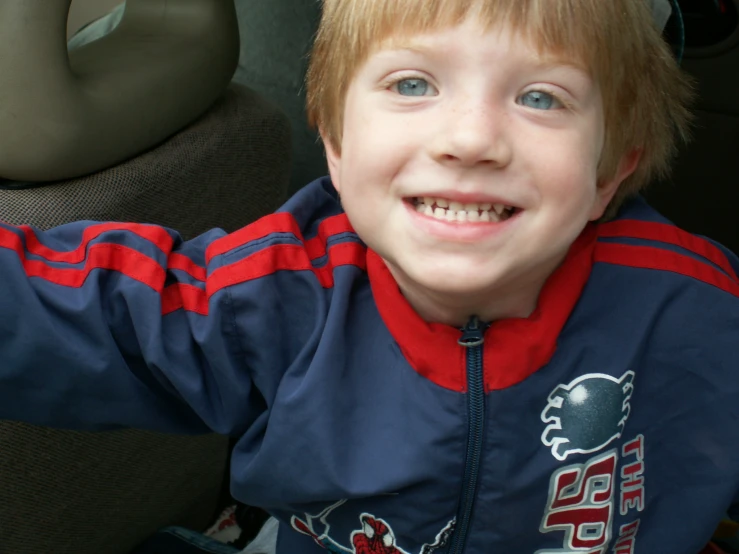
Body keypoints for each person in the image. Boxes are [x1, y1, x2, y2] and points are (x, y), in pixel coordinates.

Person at [1, 0, 737, 553]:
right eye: (413, 84)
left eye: (540, 97)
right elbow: (80, 312)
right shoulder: (278, 293)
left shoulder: (697, 307)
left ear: (610, 173)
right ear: (336, 145)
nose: (470, 138)